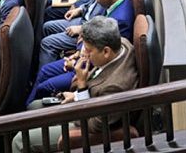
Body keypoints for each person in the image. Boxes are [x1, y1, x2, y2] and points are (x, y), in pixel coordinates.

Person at [12, 16, 138, 153]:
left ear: (106, 52)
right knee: (33, 106)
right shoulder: (121, 44)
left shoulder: (116, 87)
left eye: (88, 50)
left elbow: (94, 125)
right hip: (86, 103)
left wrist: (81, 84)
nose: (84, 53)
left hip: (86, 125)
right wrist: (76, 96)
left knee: (20, 141)